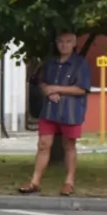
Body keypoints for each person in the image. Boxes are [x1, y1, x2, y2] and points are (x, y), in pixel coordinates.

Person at [20, 30, 91, 196]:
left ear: (74, 44)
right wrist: (48, 91)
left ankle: (69, 182)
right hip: (49, 110)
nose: (64, 45)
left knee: (69, 145)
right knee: (43, 145)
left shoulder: (80, 64)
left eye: (67, 41)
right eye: (60, 41)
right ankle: (35, 181)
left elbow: (82, 89)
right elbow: (42, 83)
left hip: (70, 111)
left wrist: (58, 88)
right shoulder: (50, 63)